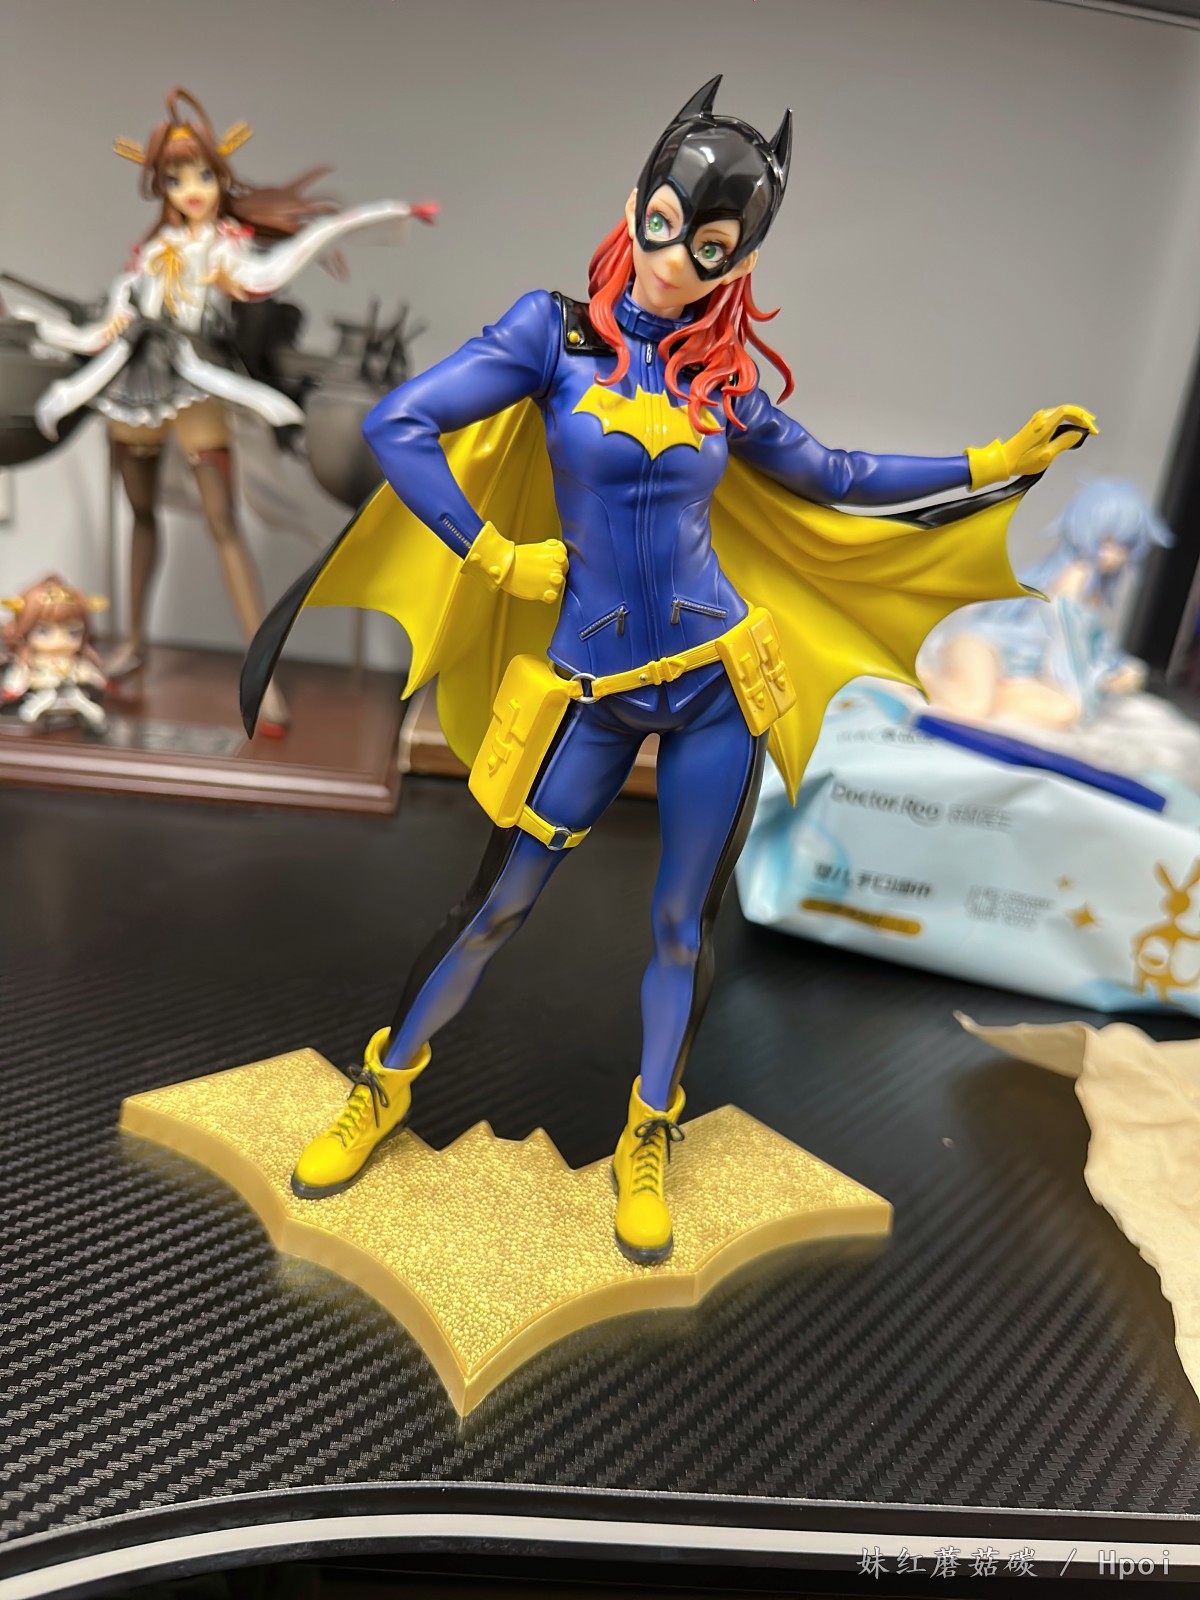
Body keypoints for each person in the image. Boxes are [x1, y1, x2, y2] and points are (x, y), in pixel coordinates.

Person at [243, 77, 1094, 1263]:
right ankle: (381, 1084)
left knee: (682, 926)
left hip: (713, 687)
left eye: (710, 245)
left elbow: (837, 475)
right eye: (664, 222)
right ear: (635, 201)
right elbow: (399, 425)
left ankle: (649, 1130)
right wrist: (491, 552)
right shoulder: (554, 336)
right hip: (587, 692)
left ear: (739, 257)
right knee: (495, 904)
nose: (676, 259)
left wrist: (991, 459)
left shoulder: (721, 380)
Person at [16, 87, 433, 731]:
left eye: (203, 176)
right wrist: (43, 329)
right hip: (131, 391)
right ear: (161, 187)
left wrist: (377, 216)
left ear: (220, 179)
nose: (192, 190)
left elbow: (284, 263)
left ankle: (261, 671)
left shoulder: (222, 250)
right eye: (177, 179)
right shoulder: (151, 256)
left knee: (224, 525)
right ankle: (134, 644)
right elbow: (106, 329)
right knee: (140, 516)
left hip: (197, 386)